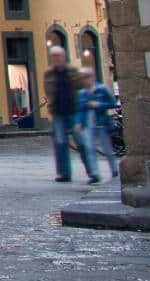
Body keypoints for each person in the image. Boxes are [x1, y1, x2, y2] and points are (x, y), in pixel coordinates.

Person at [44, 44, 98, 184]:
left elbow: (83, 86)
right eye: (53, 56)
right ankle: (64, 173)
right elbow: (48, 90)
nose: (56, 59)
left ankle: (92, 171)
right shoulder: (48, 73)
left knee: (81, 143)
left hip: (73, 111)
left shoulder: (73, 71)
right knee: (61, 144)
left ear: (63, 57)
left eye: (58, 56)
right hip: (58, 112)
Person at [77, 63, 117, 172]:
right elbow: (81, 109)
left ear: (92, 77)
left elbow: (112, 103)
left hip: (102, 123)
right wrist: (79, 122)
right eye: (82, 78)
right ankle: (94, 173)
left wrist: (98, 105)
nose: (84, 80)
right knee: (89, 148)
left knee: (107, 149)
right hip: (88, 124)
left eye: (86, 77)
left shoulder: (102, 89)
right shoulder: (82, 93)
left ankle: (114, 170)